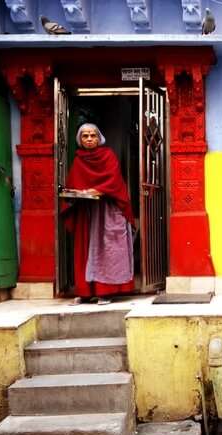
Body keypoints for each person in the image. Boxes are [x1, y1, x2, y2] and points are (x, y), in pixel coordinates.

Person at [62, 123, 134, 305]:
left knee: (108, 249)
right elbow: (73, 184)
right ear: (79, 139)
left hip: (108, 208)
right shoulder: (78, 160)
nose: (89, 139)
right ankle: (85, 292)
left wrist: (97, 190)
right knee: (85, 249)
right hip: (86, 211)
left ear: (99, 138)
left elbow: (114, 179)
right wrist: (76, 194)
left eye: (92, 135)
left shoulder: (108, 156)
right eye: (85, 136)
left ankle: (105, 292)